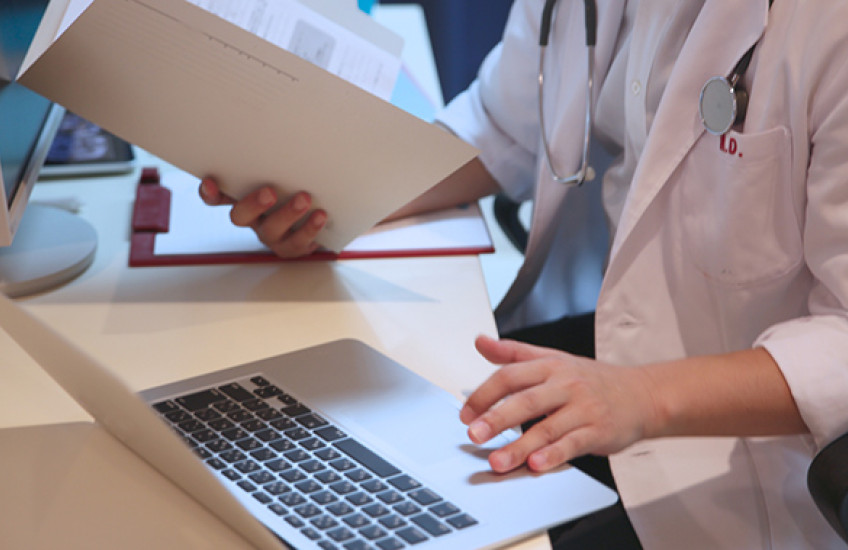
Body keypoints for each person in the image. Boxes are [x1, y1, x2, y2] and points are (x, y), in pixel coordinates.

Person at [200, 0, 848, 547]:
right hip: (622, 360)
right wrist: (333, 200)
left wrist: (642, 395)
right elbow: (500, 127)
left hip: (752, 465)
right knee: (334, 441)